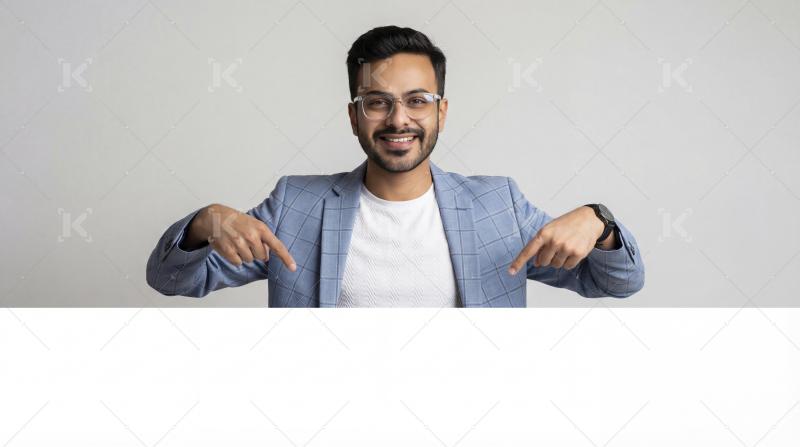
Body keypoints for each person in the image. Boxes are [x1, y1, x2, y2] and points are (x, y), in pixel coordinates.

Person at [146, 26, 645, 307]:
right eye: (377, 102)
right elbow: (171, 280)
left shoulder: (498, 206)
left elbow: (617, 282)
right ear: (354, 116)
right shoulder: (295, 206)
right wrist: (205, 223)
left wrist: (599, 223)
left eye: (417, 100)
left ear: (441, 113)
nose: (398, 119)